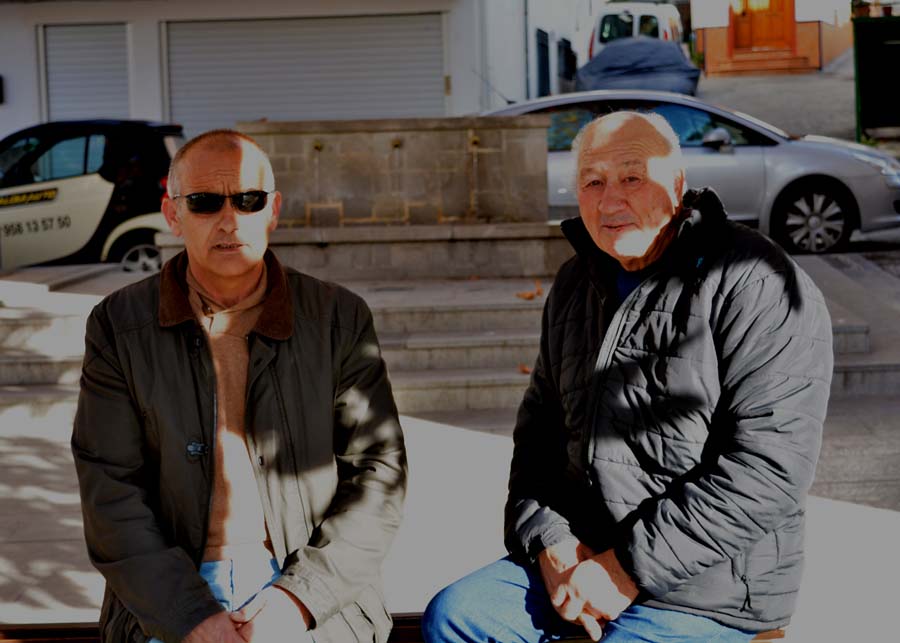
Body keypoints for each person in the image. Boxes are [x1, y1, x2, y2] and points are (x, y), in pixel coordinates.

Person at [423, 111, 832, 643]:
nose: (610, 200)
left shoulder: (755, 280)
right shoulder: (576, 281)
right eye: (593, 182)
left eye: (632, 177)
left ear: (678, 186)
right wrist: (550, 542)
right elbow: (538, 436)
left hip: (711, 583)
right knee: (456, 616)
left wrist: (626, 569)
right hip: (584, 553)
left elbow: (770, 468)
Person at [72, 129, 407, 643]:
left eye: (248, 200)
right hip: (171, 589)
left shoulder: (337, 319)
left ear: (273, 211)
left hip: (304, 581)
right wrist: (187, 614)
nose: (229, 220)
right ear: (172, 214)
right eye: (205, 202)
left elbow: (378, 474)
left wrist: (299, 599)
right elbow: (110, 490)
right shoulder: (119, 326)